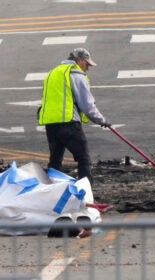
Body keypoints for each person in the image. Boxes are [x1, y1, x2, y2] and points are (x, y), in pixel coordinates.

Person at [38, 48, 111, 186]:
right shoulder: (76, 74)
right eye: (87, 64)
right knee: (83, 158)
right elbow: (87, 105)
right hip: (68, 124)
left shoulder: (54, 72)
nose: (87, 68)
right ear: (79, 60)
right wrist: (102, 121)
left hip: (51, 124)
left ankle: (49, 192)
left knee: (55, 161)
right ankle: (86, 192)